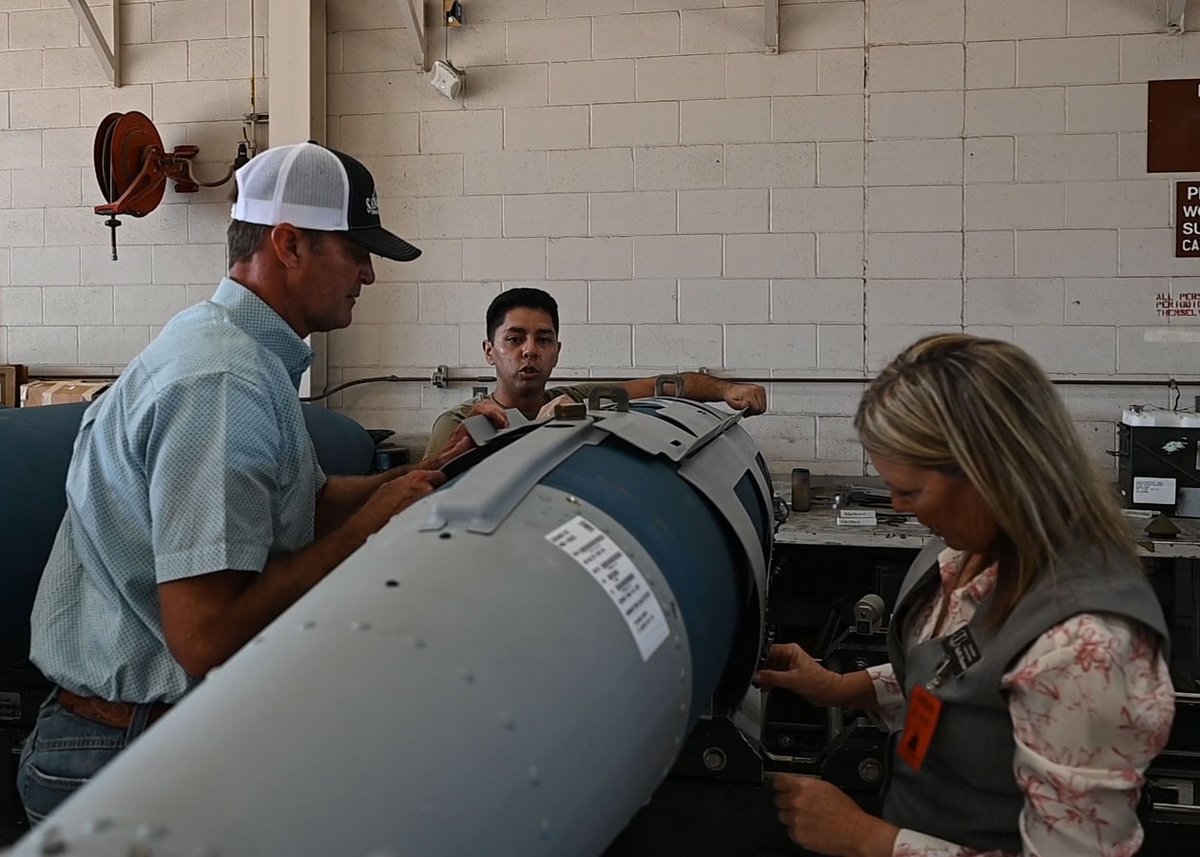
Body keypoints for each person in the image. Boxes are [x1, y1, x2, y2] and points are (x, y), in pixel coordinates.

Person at [17, 142, 479, 823]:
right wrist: (368, 530)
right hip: (126, 755)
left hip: (133, 739)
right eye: (356, 251)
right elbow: (205, 637)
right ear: (289, 244)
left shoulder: (230, 349)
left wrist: (423, 477)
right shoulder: (222, 382)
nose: (369, 274)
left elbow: (302, 503)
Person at [756, 334, 1175, 857]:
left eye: (910, 491)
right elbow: (961, 670)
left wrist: (868, 839)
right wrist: (842, 688)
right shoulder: (964, 547)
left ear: (989, 475)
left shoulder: (1087, 649)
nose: (898, 506)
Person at [424, 287, 768, 458]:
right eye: (514, 339)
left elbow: (665, 386)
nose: (529, 350)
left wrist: (726, 391)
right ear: (489, 351)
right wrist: (536, 433)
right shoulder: (460, 424)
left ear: (557, 351)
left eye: (543, 339)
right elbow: (426, 509)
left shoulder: (578, 401)